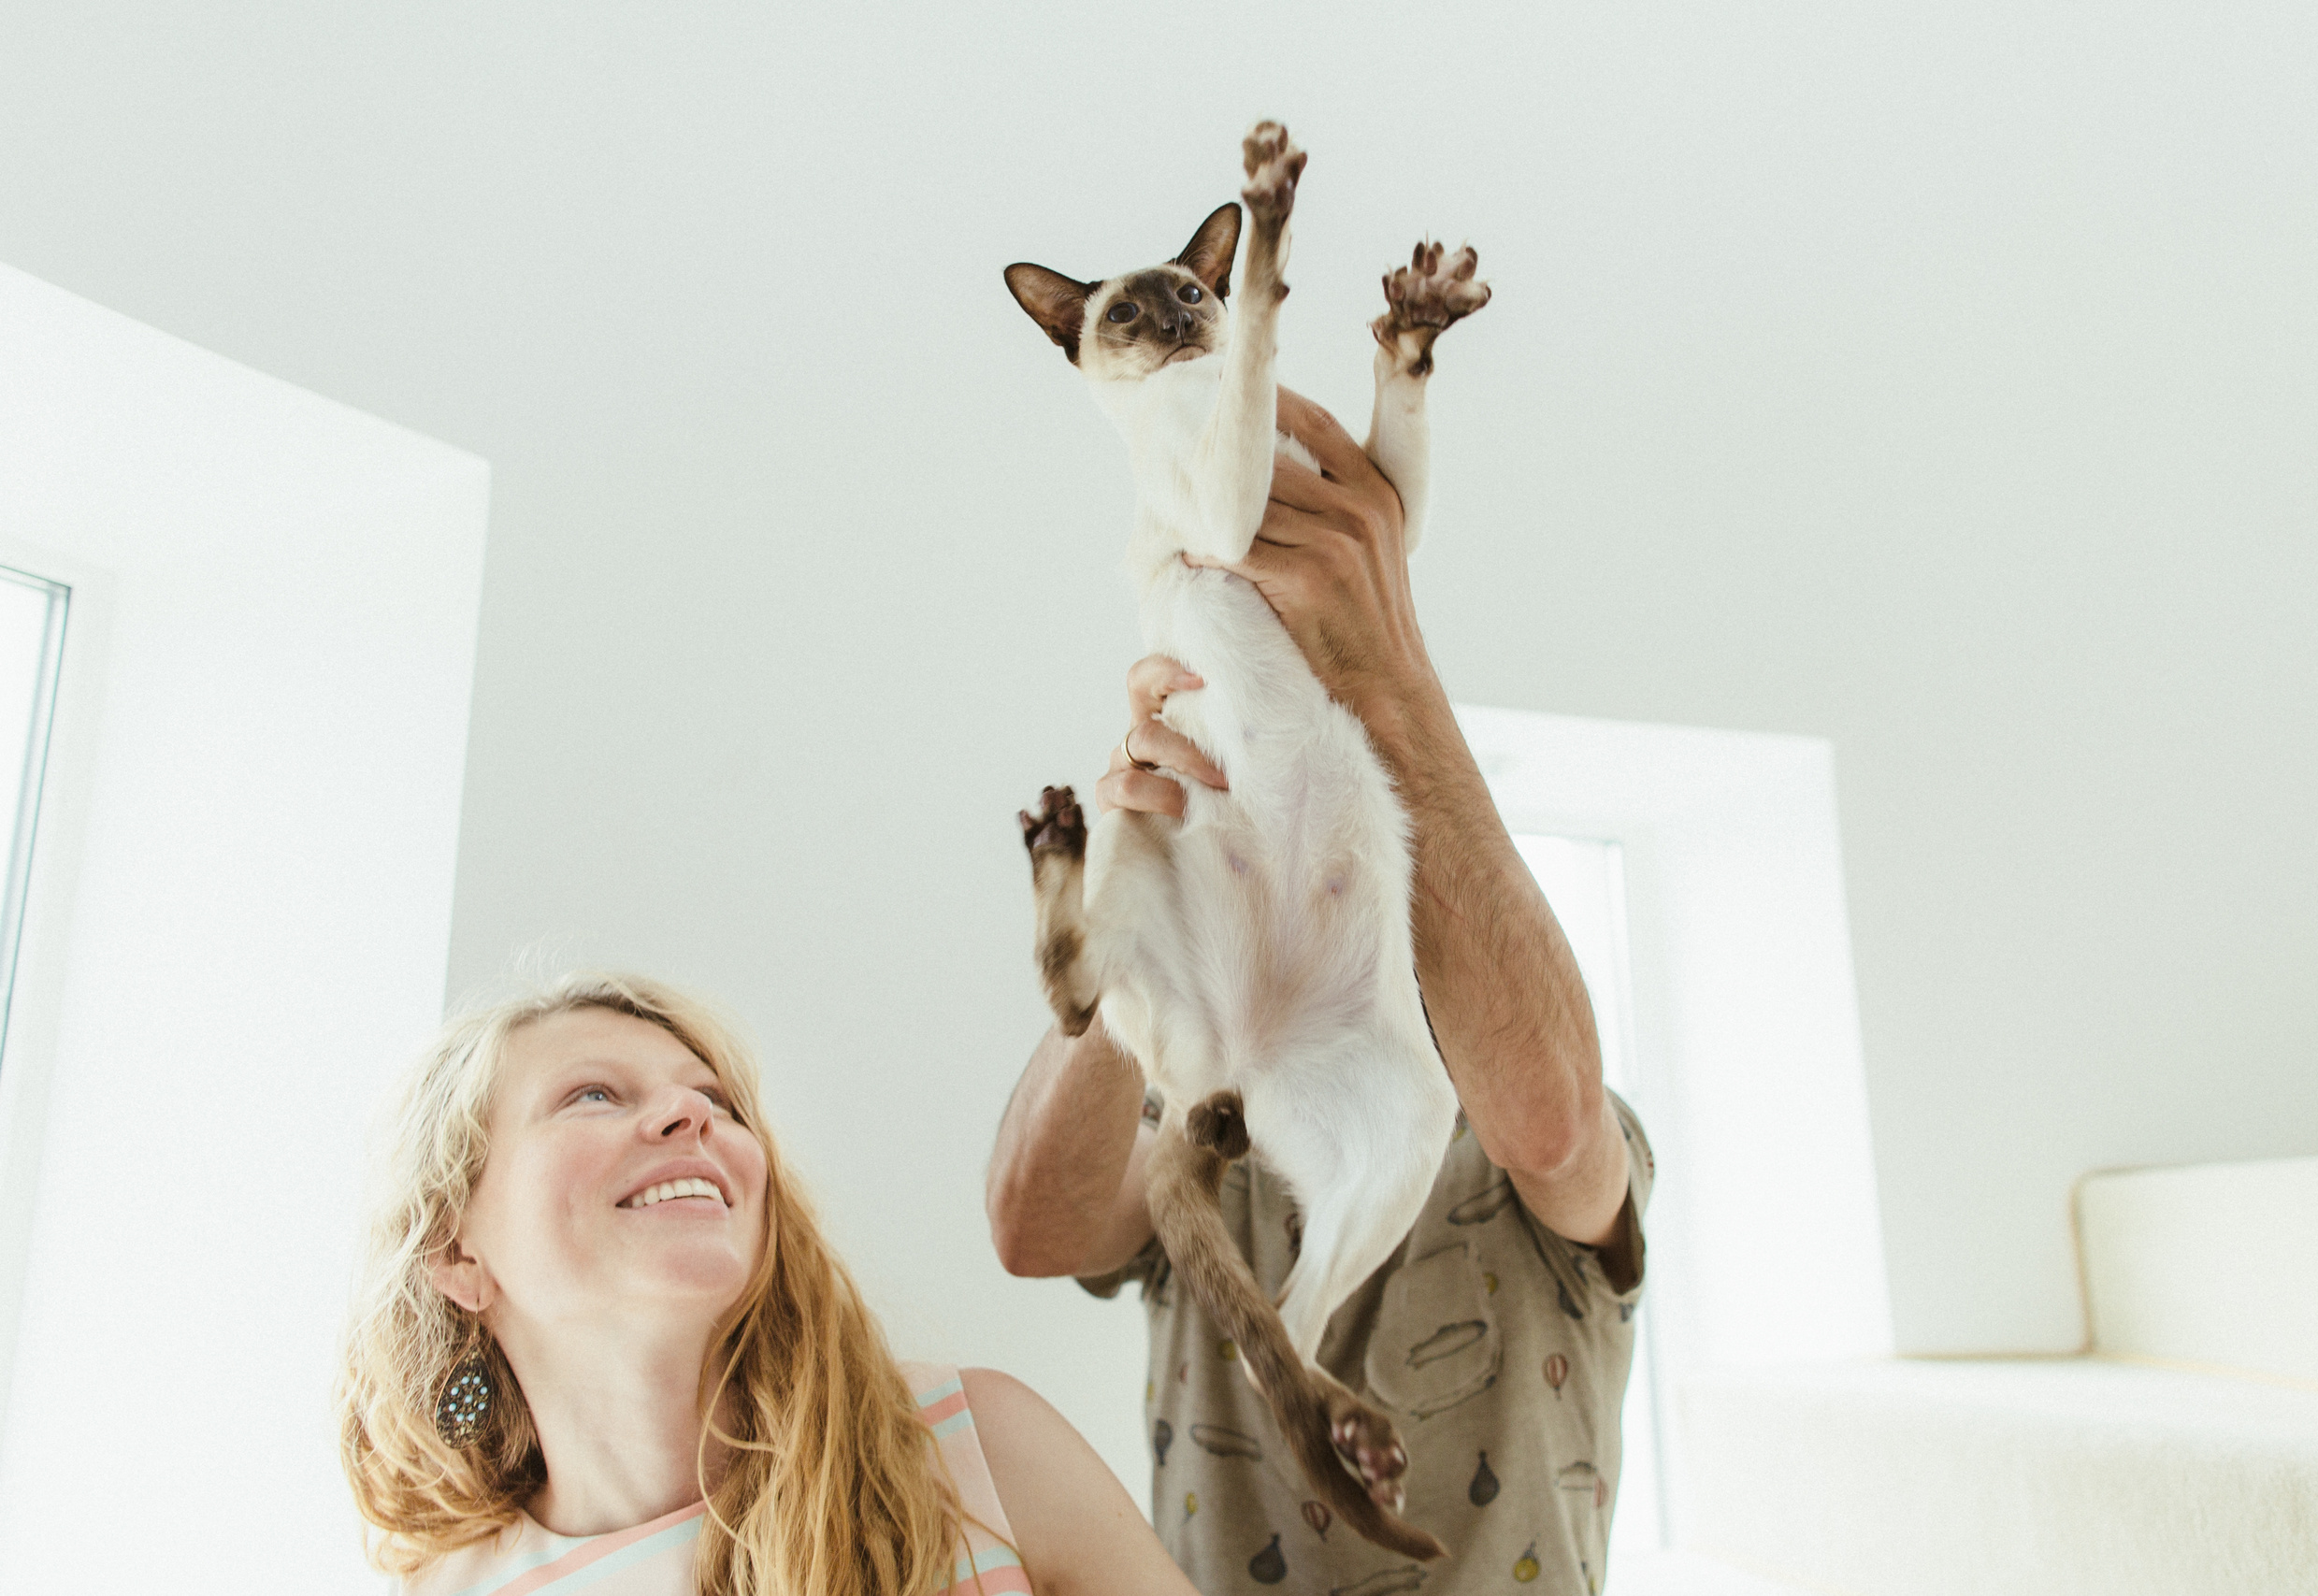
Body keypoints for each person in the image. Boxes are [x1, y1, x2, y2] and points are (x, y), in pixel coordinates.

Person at [986, 391, 1658, 1593]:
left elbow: (1554, 1120)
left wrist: (1385, 682)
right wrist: (1149, 873)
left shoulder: (1546, 1140)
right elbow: (1032, 1230)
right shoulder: (1204, 1108)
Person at [338, 971, 1198, 1596]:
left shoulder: (976, 1448)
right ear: (456, 1253)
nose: (694, 1116)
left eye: (717, 1099)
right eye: (592, 1094)